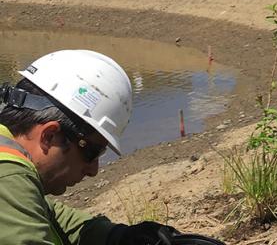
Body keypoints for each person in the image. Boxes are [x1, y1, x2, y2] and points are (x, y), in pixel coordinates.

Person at [0, 50, 177, 245]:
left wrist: (117, 236)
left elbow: (45, 212)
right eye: (91, 151)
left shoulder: (11, 171)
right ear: (49, 136)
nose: (93, 170)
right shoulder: (8, 176)